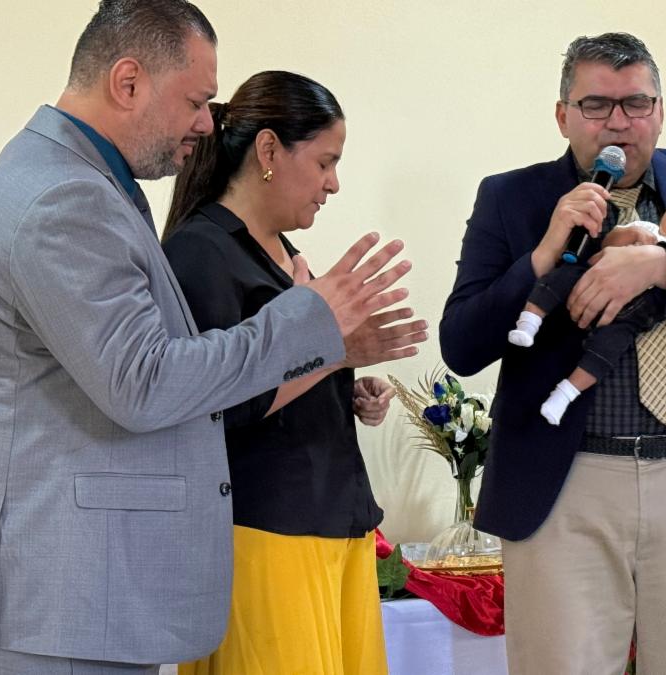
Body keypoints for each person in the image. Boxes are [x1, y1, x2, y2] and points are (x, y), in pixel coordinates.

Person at [0, 2, 418, 672]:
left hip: (80, 591)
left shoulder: (78, 181)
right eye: (195, 101)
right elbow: (144, 383)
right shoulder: (65, 198)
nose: (209, 124)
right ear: (128, 82)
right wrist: (311, 320)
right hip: (65, 597)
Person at [441, 32, 666, 674]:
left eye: (636, 103)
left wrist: (660, 267)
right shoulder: (511, 197)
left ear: (660, 111)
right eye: (596, 105)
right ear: (562, 115)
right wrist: (545, 252)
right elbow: (462, 343)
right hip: (565, 484)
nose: (618, 121)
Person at [161, 70, 425, 675]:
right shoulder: (200, 253)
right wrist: (334, 353)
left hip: (336, 522)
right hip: (267, 533)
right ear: (269, 151)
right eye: (326, 162)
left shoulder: (284, 255)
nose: (333, 183)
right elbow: (217, 405)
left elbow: (287, 375)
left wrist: (346, 381)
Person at [508, 180, 666, 425]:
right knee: (562, 276)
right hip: (592, 283)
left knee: (608, 348)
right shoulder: (647, 228)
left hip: (633, 313)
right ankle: (529, 322)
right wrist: (631, 234)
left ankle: (565, 394)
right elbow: (608, 242)